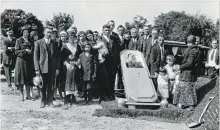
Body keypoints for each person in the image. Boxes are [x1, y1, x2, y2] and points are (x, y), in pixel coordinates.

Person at [34, 27, 60, 108]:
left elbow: (57, 57)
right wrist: (37, 69)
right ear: (44, 33)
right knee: (42, 85)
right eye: (48, 32)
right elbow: (36, 57)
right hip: (42, 67)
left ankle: (50, 101)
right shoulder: (38, 42)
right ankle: (43, 101)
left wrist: (57, 68)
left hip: (52, 67)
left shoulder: (54, 43)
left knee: (51, 85)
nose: (49, 34)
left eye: (51, 32)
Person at [173, 35, 199, 111]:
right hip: (187, 73)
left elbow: (190, 63)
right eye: (188, 43)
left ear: (192, 43)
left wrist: (180, 67)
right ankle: (184, 104)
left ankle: (191, 106)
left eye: (189, 43)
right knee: (185, 88)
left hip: (188, 73)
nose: (188, 44)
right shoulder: (192, 50)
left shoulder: (193, 51)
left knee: (188, 89)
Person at [61, 29, 81, 108]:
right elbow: (61, 57)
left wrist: (77, 62)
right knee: (67, 81)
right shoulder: (65, 46)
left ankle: (73, 98)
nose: (72, 39)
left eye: (73, 37)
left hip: (75, 66)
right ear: (68, 38)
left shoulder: (77, 46)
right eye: (70, 37)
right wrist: (66, 63)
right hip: (67, 67)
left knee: (74, 81)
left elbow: (79, 56)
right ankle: (67, 99)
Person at [100, 24, 120, 100]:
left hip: (113, 62)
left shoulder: (114, 38)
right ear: (103, 31)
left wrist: (117, 62)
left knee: (112, 78)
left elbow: (117, 51)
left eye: (108, 30)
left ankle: (111, 94)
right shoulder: (100, 39)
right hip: (104, 62)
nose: (107, 31)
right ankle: (104, 95)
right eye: (106, 30)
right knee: (105, 78)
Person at [14, 26, 34, 101]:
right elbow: (16, 52)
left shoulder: (30, 41)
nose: (26, 33)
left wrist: (31, 52)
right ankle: (21, 95)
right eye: (25, 32)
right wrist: (25, 50)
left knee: (28, 78)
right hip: (21, 61)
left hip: (28, 62)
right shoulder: (18, 40)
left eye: (27, 32)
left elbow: (33, 50)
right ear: (22, 32)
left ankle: (28, 95)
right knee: (21, 78)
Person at [30, 30, 40, 99]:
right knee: (31, 78)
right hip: (31, 62)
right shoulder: (30, 43)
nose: (35, 37)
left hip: (38, 62)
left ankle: (39, 92)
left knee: (39, 78)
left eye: (36, 35)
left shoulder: (40, 42)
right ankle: (31, 93)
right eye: (34, 36)